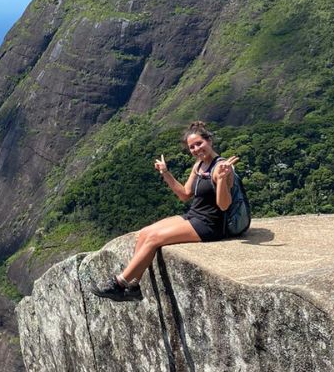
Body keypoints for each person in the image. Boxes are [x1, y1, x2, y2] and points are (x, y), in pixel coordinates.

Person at [90, 120, 239, 302]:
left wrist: (223, 179)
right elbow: (185, 194)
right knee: (145, 232)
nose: (196, 149)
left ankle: (119, 284)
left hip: (210, 224)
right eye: (192, 147)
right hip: (194, 215)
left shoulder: (221, 167)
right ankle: (134, 286)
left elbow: (224, 205)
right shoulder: (199, 165)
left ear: (209, 141)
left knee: (154, 239)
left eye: (199, 143)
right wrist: (165, 172)